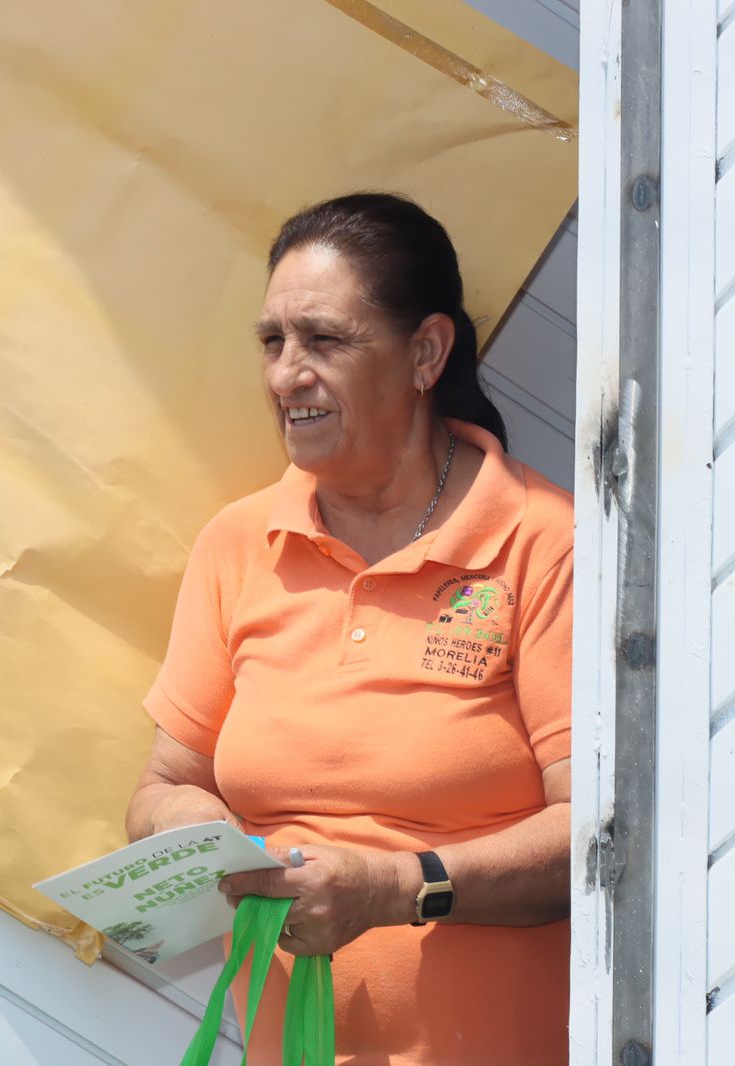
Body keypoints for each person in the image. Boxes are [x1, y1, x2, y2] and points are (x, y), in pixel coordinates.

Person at [125, 193, 571, 1064]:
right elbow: (159, 784)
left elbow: (599, 832)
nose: (287, 374)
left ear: (427, 352)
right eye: (273, 342)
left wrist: (401, 888)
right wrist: (181, 821)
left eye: (324, 341)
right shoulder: (239, 543)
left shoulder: (545, 544)